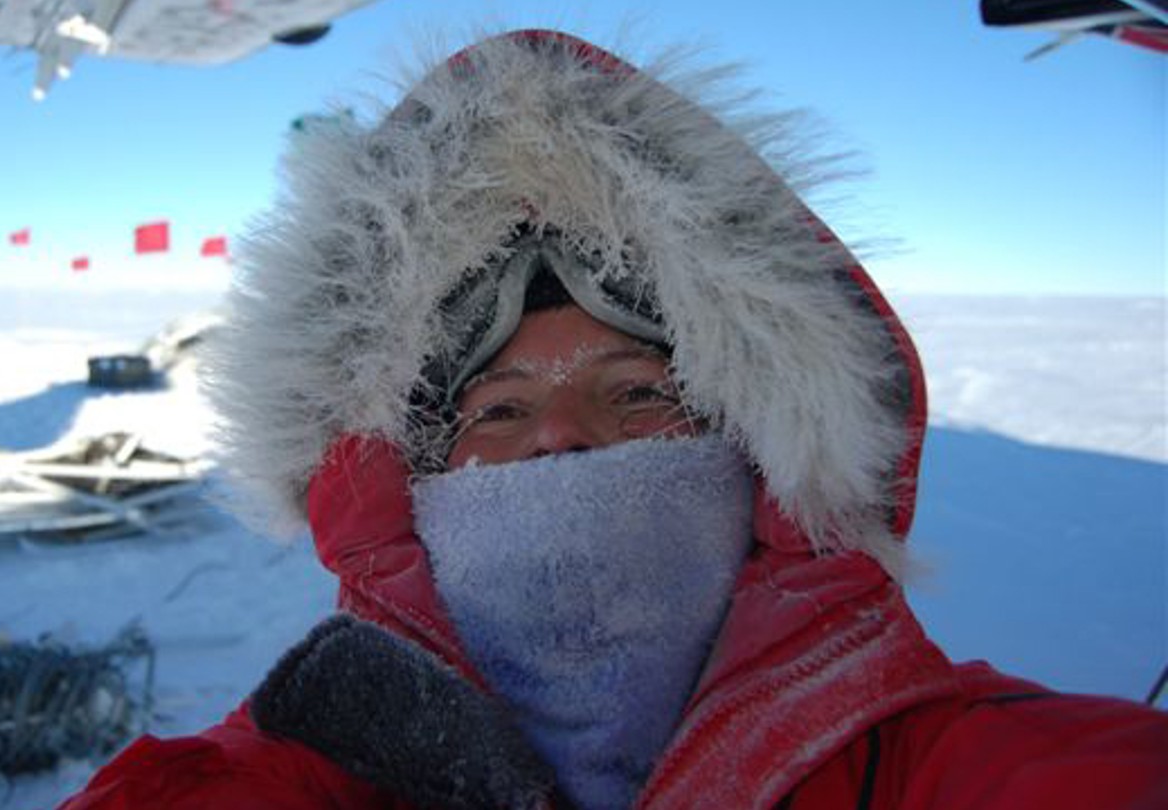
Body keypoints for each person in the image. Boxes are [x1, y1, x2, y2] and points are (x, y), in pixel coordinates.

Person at [59, 29, 1167, 810]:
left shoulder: (962, 765)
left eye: (636, 392)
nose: (560, 440)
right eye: (498, 408)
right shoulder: (298, 772)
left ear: (759, 461)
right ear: (406, 486)